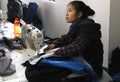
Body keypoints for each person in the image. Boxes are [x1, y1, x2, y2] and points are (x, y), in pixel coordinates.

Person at [45, 0, 103, 78]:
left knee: (44, 73)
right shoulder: (77, 26)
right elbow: (67, 38)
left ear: (79, 14)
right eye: (67, 11)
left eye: (70, 11)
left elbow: (77, 46)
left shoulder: (87, 28)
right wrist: (54, 44)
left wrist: (55, 52)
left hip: (91, 68)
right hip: (81, 61)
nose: (66, 13)